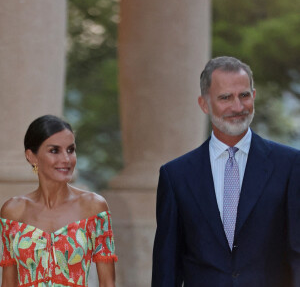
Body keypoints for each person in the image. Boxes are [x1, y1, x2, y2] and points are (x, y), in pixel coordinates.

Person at [152, 56, 300, 287]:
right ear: (204, 104)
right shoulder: (176, 176)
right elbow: (166, 268)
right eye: (225, 98)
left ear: (254, 96)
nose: (238, 107)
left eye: (244, 95)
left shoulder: (290, 165)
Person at [0, 115, 117, 287]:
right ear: (31, 157)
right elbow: (8, 283)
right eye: (54, 150)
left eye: (70, 150)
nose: (66, 159)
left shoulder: (93, 206)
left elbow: (108, 283)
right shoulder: (13, 210)